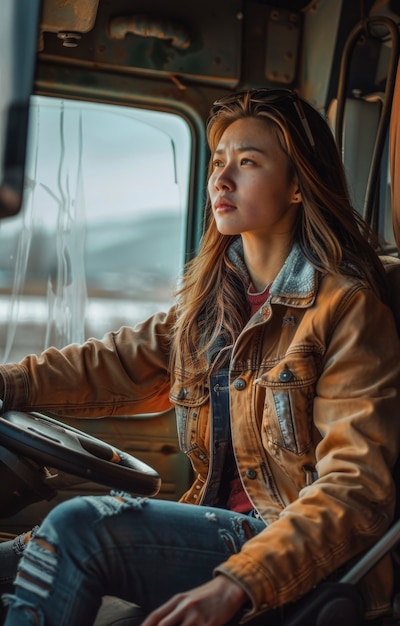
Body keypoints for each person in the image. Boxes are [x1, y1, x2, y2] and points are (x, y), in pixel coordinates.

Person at [1, 87, 400, 626]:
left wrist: (239, 583)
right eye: (217, 162)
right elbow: (111, 364)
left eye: (248, 162)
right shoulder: (212, 305)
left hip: (285, 551)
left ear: (298, 185)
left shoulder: (346, 310)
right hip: (212, 525)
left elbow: (354, 488)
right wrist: (9, 383)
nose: (221, 178)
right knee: (17, 557)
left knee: (79, 528)